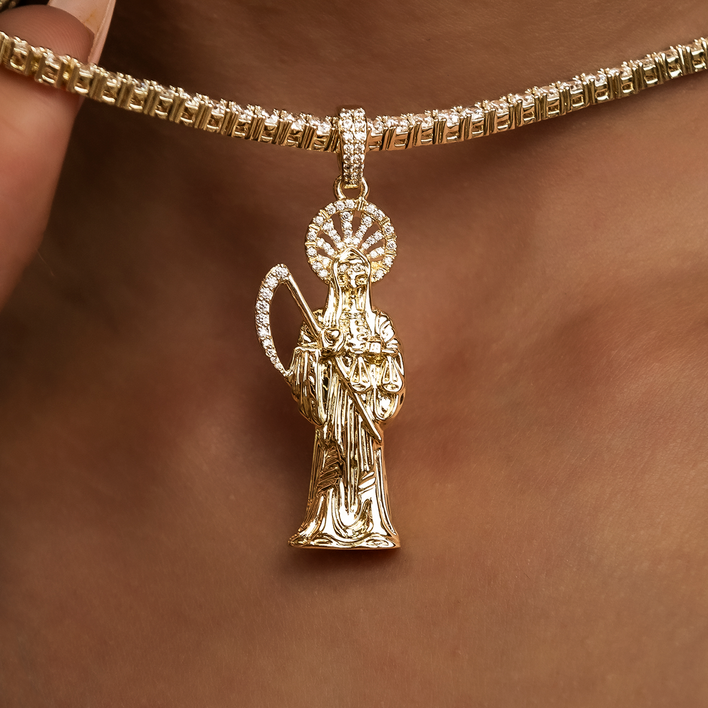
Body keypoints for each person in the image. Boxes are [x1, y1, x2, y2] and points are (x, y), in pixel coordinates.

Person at [1, 0, 708, 706]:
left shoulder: (369, 321)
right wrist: (316, 367)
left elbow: (386, 366)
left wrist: (362, 372)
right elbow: (307, 356)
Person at [288, 247, 404, 549]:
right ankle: (325, 522)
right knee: (334, 453)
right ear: (335, 278)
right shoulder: (319, 322)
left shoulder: (379, 322)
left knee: (364, 457)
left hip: (364, 402)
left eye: (359, 274)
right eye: (346, 275)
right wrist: (319, 354)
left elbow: (392, 356)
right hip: (335, 405)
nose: (353, 281)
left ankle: (371, 523)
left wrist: (374, 353)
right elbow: (303, 357)